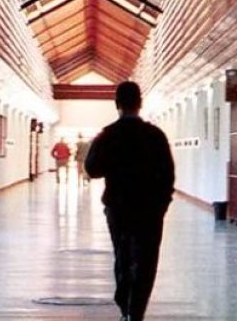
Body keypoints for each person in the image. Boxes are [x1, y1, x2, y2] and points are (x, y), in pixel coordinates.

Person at [84, 81, 175, 321]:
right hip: (149, 209)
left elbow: (92, 169)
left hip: (118, 207)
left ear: (117, 105)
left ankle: (124, 306)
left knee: (123, 255)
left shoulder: (108, 134)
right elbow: (168, 174)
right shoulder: (155, 136)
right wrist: (162, 204)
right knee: (147, 258)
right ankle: (137, 312)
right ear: (140, 104)